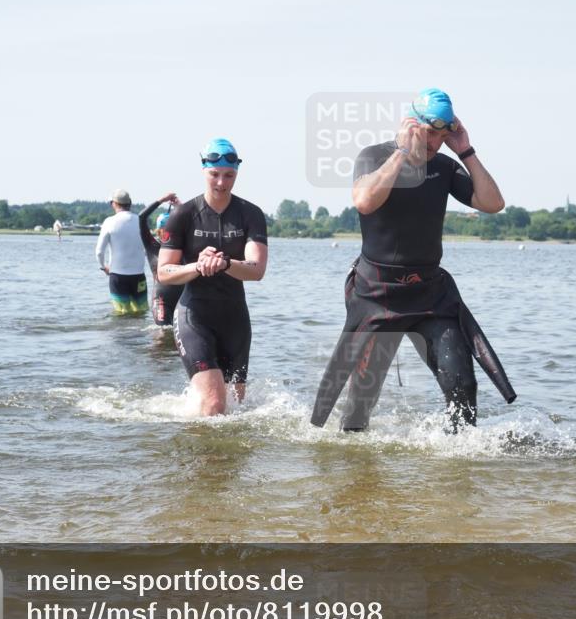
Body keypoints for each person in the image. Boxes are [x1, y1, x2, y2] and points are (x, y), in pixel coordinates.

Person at [311, 88, 517, 433]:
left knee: (463, 387)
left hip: (429, 295)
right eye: (430, 132)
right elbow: (363, 201)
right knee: (359, 409)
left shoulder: (444, 167)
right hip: (377, 294)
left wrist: (465, 150)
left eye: (443, 133)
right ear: (411, 124)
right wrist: (403, 154)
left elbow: (493, 203)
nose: (436, 141)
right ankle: (354, 476)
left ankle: (459, 470)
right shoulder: (374, 157)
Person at [157, 138, 268, 416]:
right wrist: (198, 266)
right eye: (214, 174)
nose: (221, 182)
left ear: (236, 173)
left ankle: (227, 460)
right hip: (194, 315)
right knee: (215, 404)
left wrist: (224, 263)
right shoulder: (183, 215)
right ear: (204, 170)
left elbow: (257, 270)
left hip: (235, 319)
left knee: (236, 409)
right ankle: (203, 459)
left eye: (229, 175)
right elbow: (164, 272)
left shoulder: (250, 214)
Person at [96, 189, 149, 315]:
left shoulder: (109, 222)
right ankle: (139, 334)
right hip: (139, 275)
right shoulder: (141, 221)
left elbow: (99, 251)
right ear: (129, 203)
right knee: (141, 311)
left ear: (114, 204)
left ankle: (122, 334)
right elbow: (148, 248)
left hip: (118, 276)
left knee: (121, 313)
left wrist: (103, 267)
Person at [139, 193, 184, 329]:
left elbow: (197, 222)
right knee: (162, 336)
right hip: (161, 300)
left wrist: (181, 208)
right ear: (158, 230)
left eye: (172, 229)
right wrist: (161, 200)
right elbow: (141, 217)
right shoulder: (152, 246)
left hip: (183, 299)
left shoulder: (184, 246)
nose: (168, 233)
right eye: (165, 230)